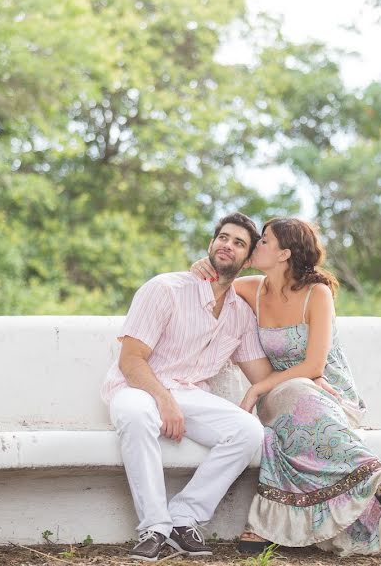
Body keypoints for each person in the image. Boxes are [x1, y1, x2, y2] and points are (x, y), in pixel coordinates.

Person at [191, 217, 381, 556]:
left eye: (263, 241)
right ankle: (370, 475)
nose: (255, 246)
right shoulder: (251, 289)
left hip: (328, 395)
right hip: (280, 394)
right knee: (282, 414)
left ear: (284, 254)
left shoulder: (317, 294)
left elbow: (314, 367)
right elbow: (215, 281)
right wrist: (201, 264)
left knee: (293, 408)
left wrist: (254, 389)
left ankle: (364, 475)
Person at [100, 212, 275, 562]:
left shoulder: (241, 313)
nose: (228, 245)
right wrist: (163, 400)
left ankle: (184, 517)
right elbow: (131, 361)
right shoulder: (165, 289)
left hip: (191, 394)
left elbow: (261, 373)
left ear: (248, 258)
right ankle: (154, 526)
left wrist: (311, 375)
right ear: (211, 244)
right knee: (136, 414)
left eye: (239, 243)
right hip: (139, 387)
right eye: (223, 237)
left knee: (247, 431)